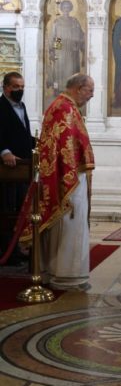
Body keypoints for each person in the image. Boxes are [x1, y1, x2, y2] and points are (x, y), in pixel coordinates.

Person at [27, 74, 95, 290]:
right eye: (90, 90)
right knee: (69, 225)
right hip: (67, 177)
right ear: (78, 88)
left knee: (64, 225)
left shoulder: (62, 105)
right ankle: (66, 276)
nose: (92, 95)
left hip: (64, 174)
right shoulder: (65, 108)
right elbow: (65, 147)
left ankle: (52, 272)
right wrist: (69, 176)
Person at [0, 71, 35, 265]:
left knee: (21, 209)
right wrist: (4, 151)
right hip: (7, 169)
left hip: (23, 167)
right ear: (6, 88)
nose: (19, 90)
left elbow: (23, 134)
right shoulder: (1, 107)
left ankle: (17, 247)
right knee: (7, 210)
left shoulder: (22, 107)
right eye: (15, 87)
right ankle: (7, 252)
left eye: (22, 87)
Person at [48, 0, 85, 96]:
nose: (66, 9)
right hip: (60, 50)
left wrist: (79, 46)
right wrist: (53, 50)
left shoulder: (74, 21)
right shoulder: (57, 22)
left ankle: (71, 91)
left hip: (72, 51)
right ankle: (59, 91)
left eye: (68, 7)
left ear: (71, 8)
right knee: (60, 72)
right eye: (64, 7)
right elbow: (55, 37)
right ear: (61, 8)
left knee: (71, 72)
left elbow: (81, 36)